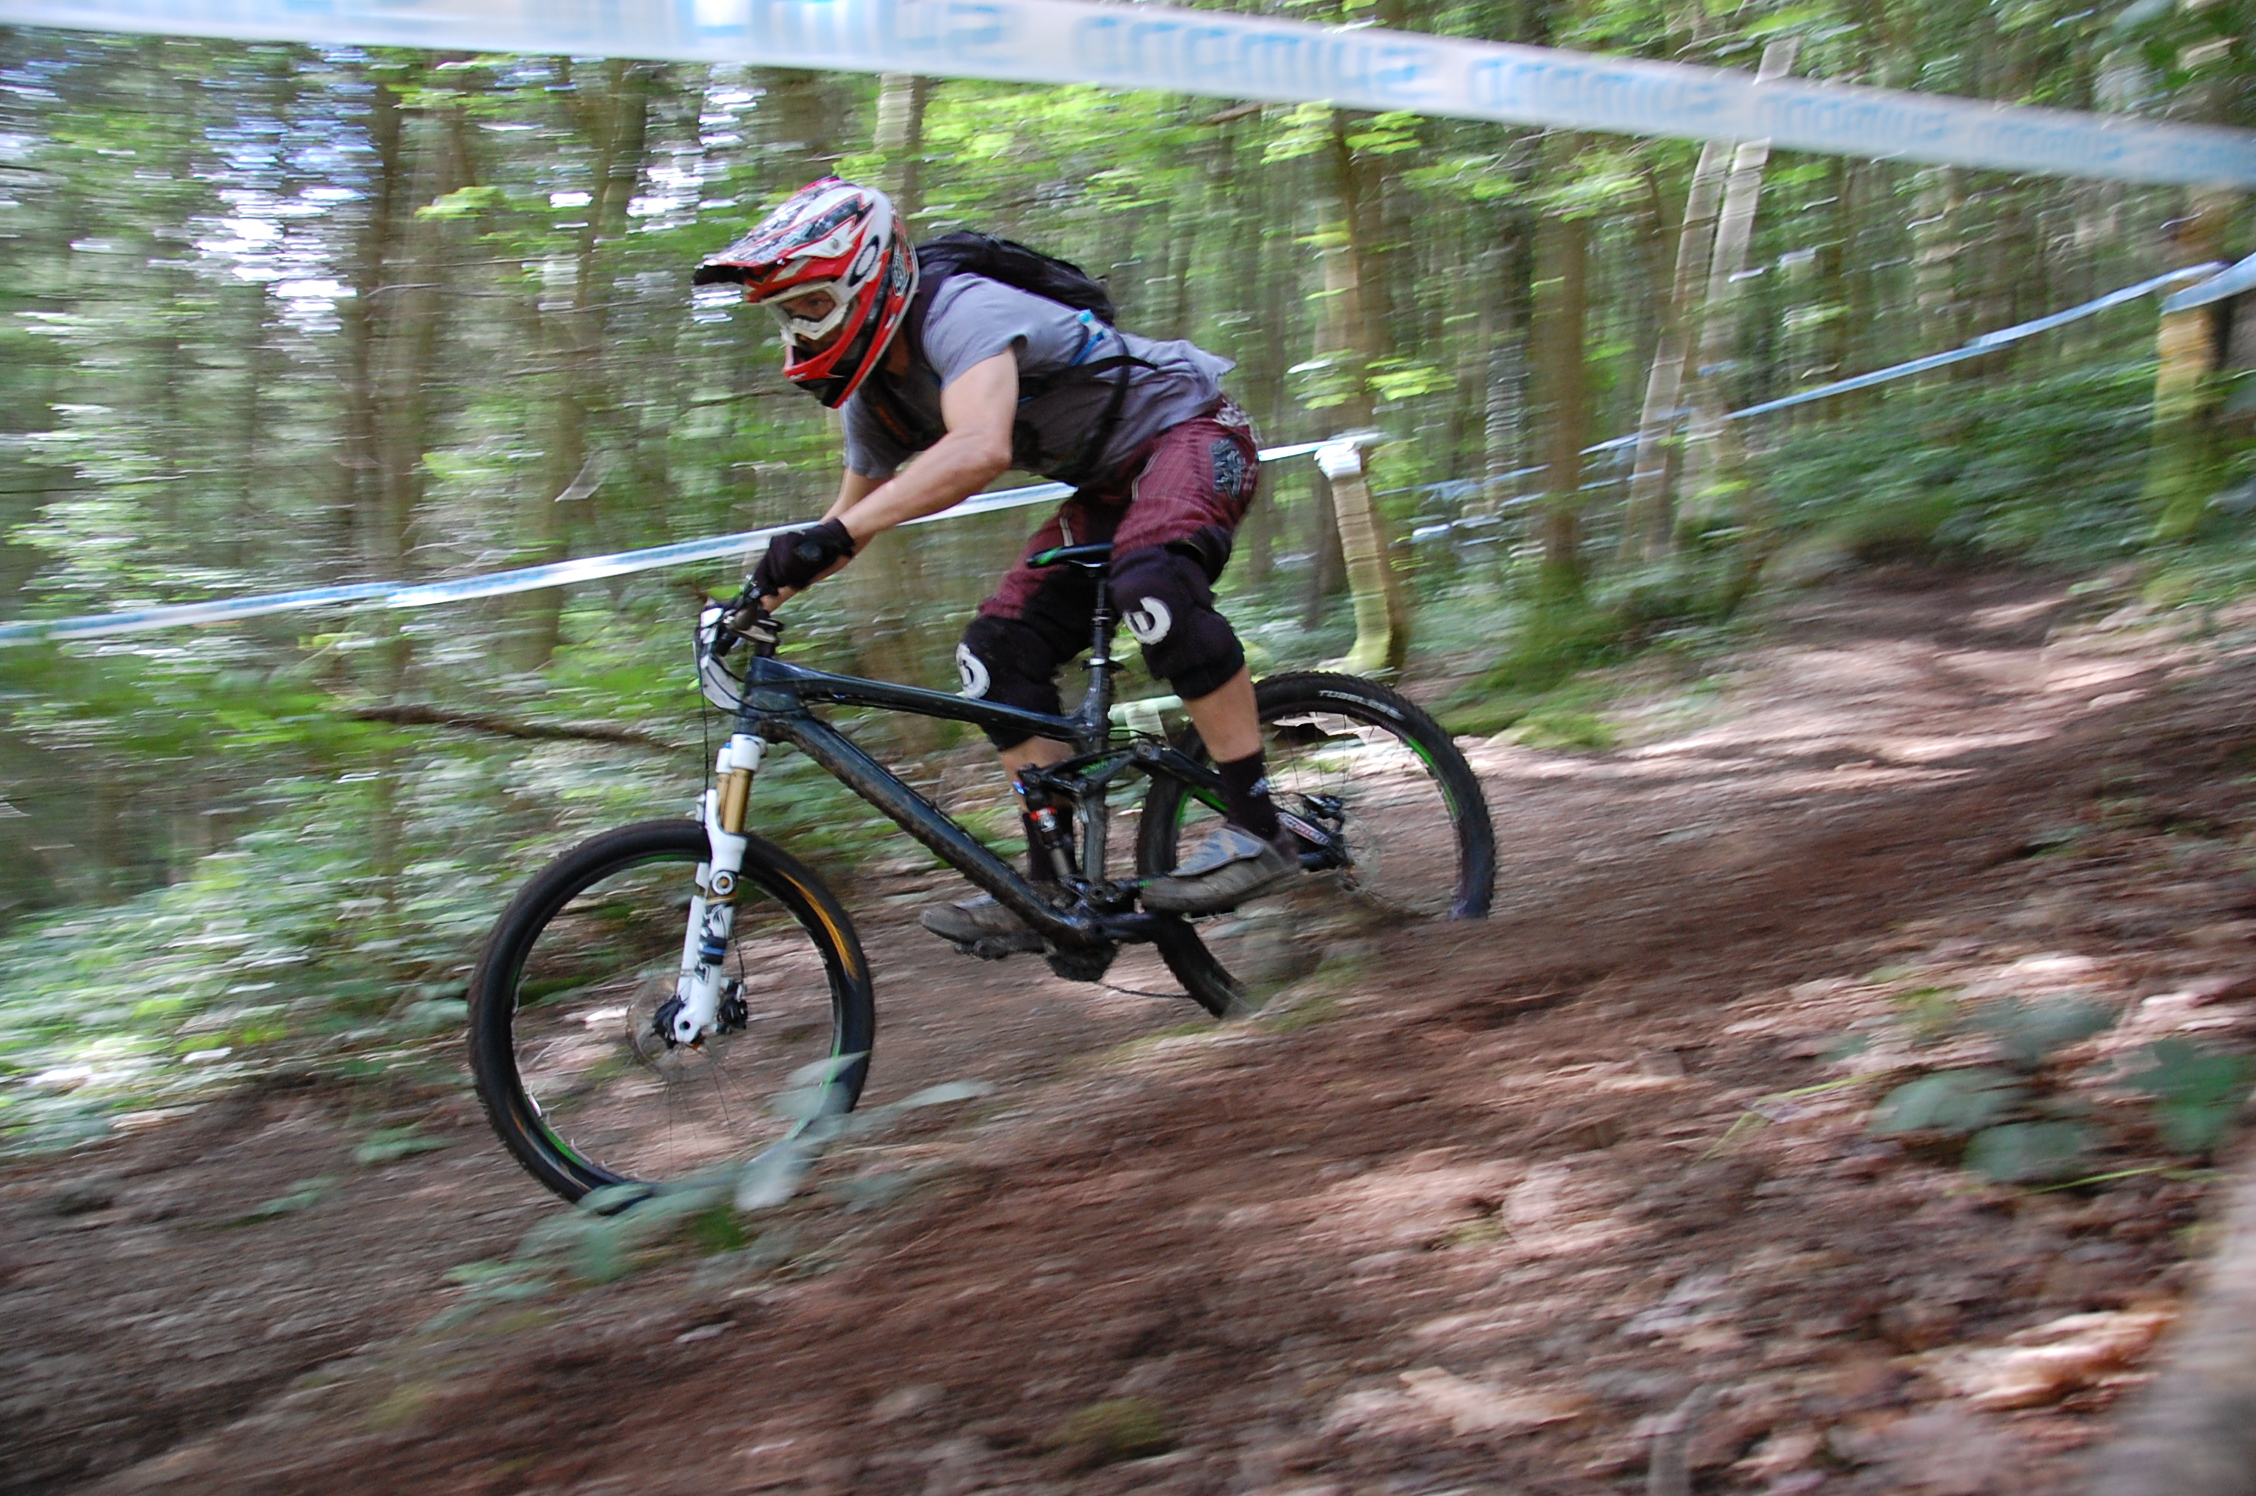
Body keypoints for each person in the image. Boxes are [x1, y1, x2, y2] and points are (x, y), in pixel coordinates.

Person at [695, 177, 1295, 942]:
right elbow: (849, 521)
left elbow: (979, 449)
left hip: (1194, 429)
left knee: (1154, 586)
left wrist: (835, 534)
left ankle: (1258, 827)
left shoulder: (960, 311)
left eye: (813, 304)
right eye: (789, 313)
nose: (801, 327)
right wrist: (754, 600)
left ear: (868, 279)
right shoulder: (875, 396)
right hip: (1110, 484)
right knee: (994, 654)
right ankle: (1051, 890)